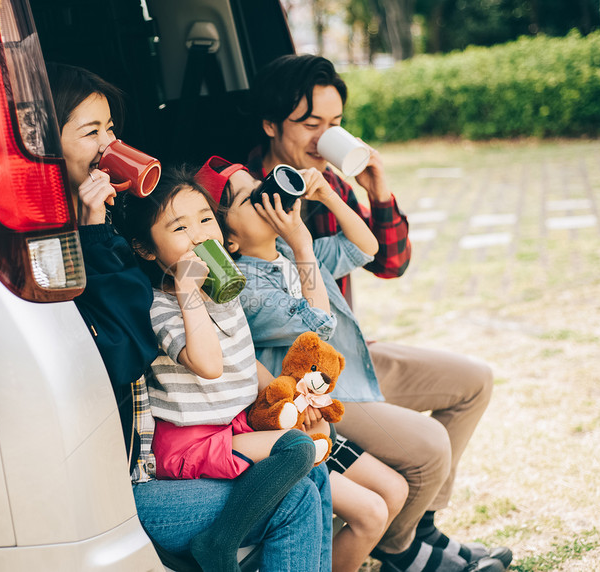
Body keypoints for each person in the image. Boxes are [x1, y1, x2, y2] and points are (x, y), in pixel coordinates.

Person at [48, 62, 331, 572]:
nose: (109, 145)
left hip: (195, 444)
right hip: (142, 471)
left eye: (111, 130)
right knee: (298, 489)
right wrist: (98, 234)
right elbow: (131, 353)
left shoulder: (109, 238)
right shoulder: (57, 241)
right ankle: (217, 545)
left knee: (311, 476)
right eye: (91, 132)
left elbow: (280, 347)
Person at [245, 54, 512, 571]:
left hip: (351, 355)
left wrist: (376, 186)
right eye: (311, 125)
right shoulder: (252, 199)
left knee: (473, 382)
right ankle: (401, 549)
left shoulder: (331, 183)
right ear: (271, 124)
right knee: (429, 448)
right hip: (303, 376)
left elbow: (391, 262)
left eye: (336, 125)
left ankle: (418, 531)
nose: (324, 139)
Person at [195, 156, 411, 572]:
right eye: (250, 199)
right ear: (231, 240)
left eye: (262, 188)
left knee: (394, 492)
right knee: (370, 513)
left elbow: (366, 247)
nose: (266, 200)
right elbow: (320, 329)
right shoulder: (246, 285)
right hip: (282, 426)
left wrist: (327, 194)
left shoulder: (291, 255)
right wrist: (302, 245)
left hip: (310, 418)